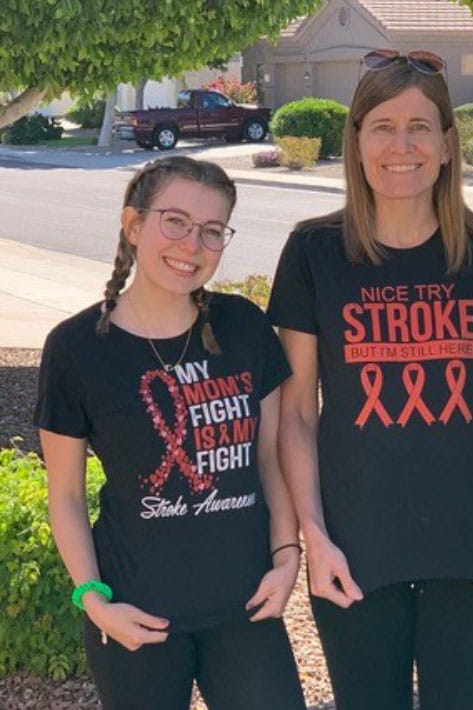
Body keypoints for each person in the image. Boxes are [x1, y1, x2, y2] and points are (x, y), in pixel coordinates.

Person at [267, 49, 473, 710]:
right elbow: (297, 413)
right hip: (353, 543)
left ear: (448, 145)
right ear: (356, 142)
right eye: (382, 126)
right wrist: (313, 535)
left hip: (468, 540)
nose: (401, 144)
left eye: (420, 127)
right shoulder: (312, 252)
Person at [34, 156, 306, 710]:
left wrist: (286, 556)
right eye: (174, 221)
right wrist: (94, 598)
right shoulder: (76, 348)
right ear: (133, 225)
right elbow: (63, 493)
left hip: (245, 605)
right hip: (137, 611)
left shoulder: (244, 326)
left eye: (212, 231)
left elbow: (271, 457)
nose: (192, 245)